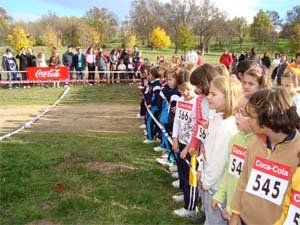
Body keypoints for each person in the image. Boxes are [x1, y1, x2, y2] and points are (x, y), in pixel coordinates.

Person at [229, 88, 300, 225]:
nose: (247, 120)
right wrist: (235, 212)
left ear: (267, 118)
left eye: (251, 116)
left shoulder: (297, 151)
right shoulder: (255, 142)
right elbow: (243, 179)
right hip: (245, 219)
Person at [200, 76, 242, 225]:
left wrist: (207, 180)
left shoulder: (226, 126)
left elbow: (220, 159)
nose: (208, 97)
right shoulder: (217, 119)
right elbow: (208, 149)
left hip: (216, 187)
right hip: (210, 180)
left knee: (215, 220)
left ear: (228, 97)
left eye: (213, 94)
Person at [211, 96, 255, 221]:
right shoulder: (236, 138)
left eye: (243, 114)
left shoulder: (259, 147)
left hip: (245, 212)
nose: (236, 116)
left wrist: (233, 208)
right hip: (231, 203)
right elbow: (228, 170)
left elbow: (249, 184)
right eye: (237, 112)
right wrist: (220, 194)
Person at [172, 69, 198, 218]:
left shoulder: (198, 103)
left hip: (192, 147)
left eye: (188, 89)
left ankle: (191, 208)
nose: (185, 93)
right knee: (181, 172)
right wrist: (175, 139)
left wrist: (188, 147)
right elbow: (177, 120)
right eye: (181, 90)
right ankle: (185, 194)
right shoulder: (180, 101)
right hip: (180, 142)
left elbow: (196, 127)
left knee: (190, 176)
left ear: (194, 86)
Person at [143, 67, 161, 144]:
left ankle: (150, 138)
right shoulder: (151, 84)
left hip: (154, 107)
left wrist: (151, 104)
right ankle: (150, 134)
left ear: (153, 75)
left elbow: (156, 97)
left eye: (149, 74)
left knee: (150, 121)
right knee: (147, 120)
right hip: (149, 106)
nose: (147, 76)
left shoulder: (156, 85)